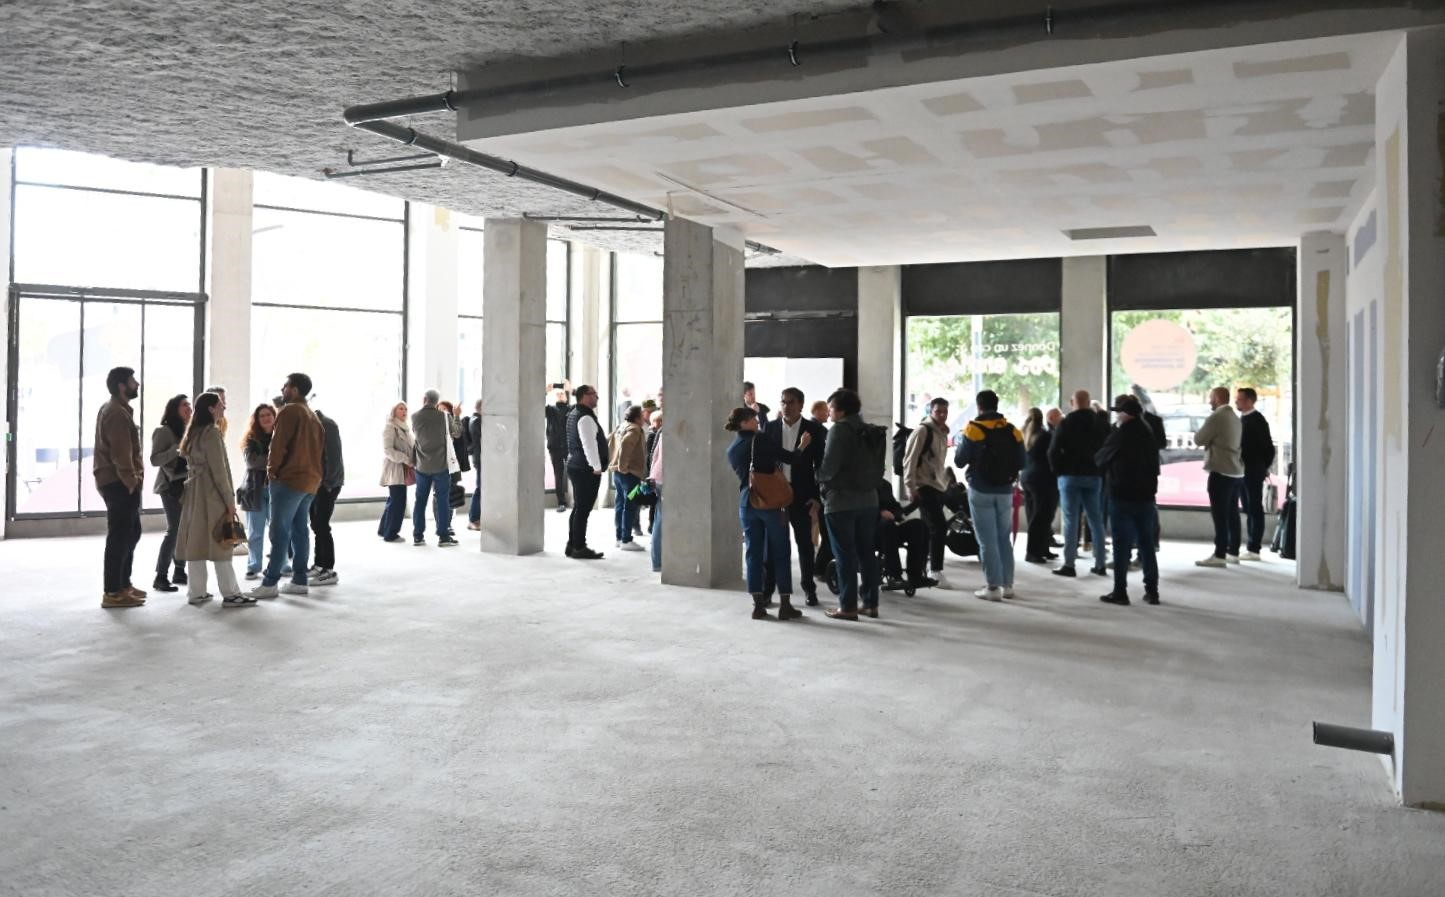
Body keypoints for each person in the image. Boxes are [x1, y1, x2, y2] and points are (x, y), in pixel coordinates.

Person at [725, 406, 809, 621]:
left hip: (747, 502)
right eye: (753, 418)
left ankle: (758, 605)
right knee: (780, 551)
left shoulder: (732, 448)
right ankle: (785, 604)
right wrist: (801, 446)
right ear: (744, 423)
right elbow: (790, 458)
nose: (757, 421)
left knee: (753, 553)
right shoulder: (760, 440)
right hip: (771, 503)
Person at [247, 373, 325, 599]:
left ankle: (270, 582)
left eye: (286, 386)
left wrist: (271, 473)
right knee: (300, 530)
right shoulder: (313, 416)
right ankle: (299, 579)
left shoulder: (289, 411)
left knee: (279, 532)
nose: (282, 389)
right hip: (309, 481)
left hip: (289, 480)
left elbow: (277, 445)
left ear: (295, 389)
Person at [175, 392, 254, 607]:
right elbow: (220, 472)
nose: (224, 407)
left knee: (197, 542)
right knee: (223, 542)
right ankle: (230, 594)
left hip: (194, 494)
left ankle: (196, 592)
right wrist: (229, 501)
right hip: (211, 495)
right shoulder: (211, 433)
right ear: (210, 409)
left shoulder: (193, 433)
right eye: (220, 404)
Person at [816, 388, 884, 620]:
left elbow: (829, 467)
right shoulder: (869, 430)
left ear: (841, 410)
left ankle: (848, 606)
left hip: (842, 502)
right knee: (867, 553)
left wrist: (818, 476)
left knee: (845, 555)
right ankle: (871, 603)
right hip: (869, 500)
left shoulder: (839, 430)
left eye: (831, 408)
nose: (829, 412)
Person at [758, 387, 828, 606]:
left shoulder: (814, 430)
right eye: (783, 402)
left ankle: (809, 588)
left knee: (805, 545)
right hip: (775, 495)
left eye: (790, 402)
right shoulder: (769, 428)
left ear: (801, 404)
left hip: (802, 495)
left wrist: (817, 497)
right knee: (772, 545)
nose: (785, 406)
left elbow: (820, 466)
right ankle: (768, 590)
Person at [955, 390, 1025, 601]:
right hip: (1005, 491)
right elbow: (1023, 462)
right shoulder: (1013, 430)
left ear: (979, 407)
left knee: (987, 541)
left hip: (980, 490)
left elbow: (959, 461)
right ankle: (1008, 586)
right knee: (1004, 538)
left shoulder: (973, 430)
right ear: (997, 405)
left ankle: (992, 587)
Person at [1094, 397, 1162, 606]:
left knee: (1121, 546)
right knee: (1146, 544)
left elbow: (1100, 458)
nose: (1116, 416)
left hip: (1122, 495)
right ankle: (1152, 591)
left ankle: (1120, 591)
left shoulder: (1121, 434)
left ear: (1126, 415)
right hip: (1146, 497)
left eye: (1119, 413)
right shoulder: (1148, 433)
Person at [94, 366, 146, 608]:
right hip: (118, 482)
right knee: (120, 536)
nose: (137, 384)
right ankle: (112, 592)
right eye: (133, 381)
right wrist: (130, 480)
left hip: (119, 481)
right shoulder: (116, 412)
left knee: (131, 532)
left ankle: (123, 585)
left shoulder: (119, 409)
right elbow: (120, 452)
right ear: (122, 386)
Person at [1049, 389, 1109, 579]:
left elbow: (1053, 451)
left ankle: (1069, 564)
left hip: (1070, 476)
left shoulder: (1066, 423)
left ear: (1072, 402)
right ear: (1089, 401)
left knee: (1070, 519)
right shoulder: (1100, 423)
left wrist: (1059, 471)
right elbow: (1108, 448)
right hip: (1094, 476)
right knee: (1096, 520)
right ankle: (1100, 564)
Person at [902, 397, 954, 589]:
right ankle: (935, 570)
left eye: (945, 412)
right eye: (938, 411)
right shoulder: (923, 431)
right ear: (930, 411)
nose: (942, 415)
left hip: (938, 486)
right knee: (939, 526)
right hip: (924, 485)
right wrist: (910, 485)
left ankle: (919, 569)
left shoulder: (942, 432)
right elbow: (910, 459)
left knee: (927, 529)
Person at [1194, 386, 1245, 567]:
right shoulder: (1235, 418)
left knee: (1220, 514)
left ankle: (1219, 554)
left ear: (1217, 398)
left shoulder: (1217, 417)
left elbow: (1199, 439)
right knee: (1232, 513)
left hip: (1221, 470)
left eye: (1210, 398)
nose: (1209, 401)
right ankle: (1233, 552)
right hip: (1237, 471)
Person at [150, 394, 191, 593]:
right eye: (184, 405)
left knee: (183, 530)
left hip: (187, 485)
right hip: (170, 487)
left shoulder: (189, 430)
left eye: (190, 405)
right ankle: (161, 576)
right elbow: (155, 459)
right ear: (174, 408)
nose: (189, 408)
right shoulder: (164, 431)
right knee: (174, 529)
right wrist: (176, 449)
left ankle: (180, 570)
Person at [411, 390, 458, 548]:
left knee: (420, 501)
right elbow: (457, 433)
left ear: (424, 399)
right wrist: (456, 416)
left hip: (422, 466)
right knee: (442, 500)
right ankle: (443, 537)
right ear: (437, 402)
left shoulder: (415, 417)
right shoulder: (445, 416)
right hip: (441, 466)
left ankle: (418, 536)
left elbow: (417, 437)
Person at [565, 385, 607, 560]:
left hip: (577, 465)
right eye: (594, 394)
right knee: (583, 509)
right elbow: (588, 445)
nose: (597, 397)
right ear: (584, 397)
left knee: (578, 508)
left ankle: (572, 544)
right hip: (585, 469)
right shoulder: (585, 418)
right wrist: (596, 467)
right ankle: (579, 547)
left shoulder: (575, 413)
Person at [1235, 387, 1276, 562]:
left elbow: (1268, 448)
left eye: (1240, 399)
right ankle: (1251, 545)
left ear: (1250, 401)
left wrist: (1261, 467)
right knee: (1248, 507)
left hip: (1252, 470)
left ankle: (1254, 547)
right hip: (1243, 470)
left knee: (1254, 508)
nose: (1237, 402)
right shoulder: (1242, 419)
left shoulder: (1257, 420)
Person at [240, 404, 277, 579]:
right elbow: (252, 463)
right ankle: (254, 566)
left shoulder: (282, 436)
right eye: (261, 415)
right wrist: (274, 459)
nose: (266, 418)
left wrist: (266, 460)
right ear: (257, 419)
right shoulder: (251, 439)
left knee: (279, 530)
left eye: (268, 414)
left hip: (276, 489)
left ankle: (281, 563)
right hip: (254, 490)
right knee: (255, 532)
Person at [308, 407, 343, 585]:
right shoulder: (312, 424)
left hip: (327, 484)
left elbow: (334, 456)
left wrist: (328, 483)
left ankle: (329, 569)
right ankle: (319, 564)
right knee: (316, 524)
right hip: (316, 483)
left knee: (321, 525)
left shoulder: (327, 425)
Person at [1020, 407, 1059, 565]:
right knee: (1043, 516)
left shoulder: (1024, 435)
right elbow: (1052, 456)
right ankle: (1034, 551)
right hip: (1043, 479)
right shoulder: (1045, 436)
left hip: (1027, 477)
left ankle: (1042, 549)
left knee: (1033, 515)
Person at [608, 405, 648, 551]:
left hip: (618, 474)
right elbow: (626, 444)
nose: (644, 418)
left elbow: (610, 440)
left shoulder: (622, 426)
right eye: (642, 415)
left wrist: (616, 464)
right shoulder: (635, 429)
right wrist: (623, 466)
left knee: (620, 504)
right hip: (630, 474)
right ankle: (626, 539)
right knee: (630, 505)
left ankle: (619, 537)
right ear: (637, 418)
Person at [877, 479, 930, 589]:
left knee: (919, 525)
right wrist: (880, 513)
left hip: (890, 528)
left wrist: (913, 505)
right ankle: (895, 576)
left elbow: (896, 508)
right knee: (887, 525)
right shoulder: (861, 484)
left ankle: (915, 575)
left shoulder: (885, 485)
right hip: (870, 530)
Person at [379, 401, 414, 543]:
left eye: (405, 408)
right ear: (394, 411)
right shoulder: (390, 427)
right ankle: (391, 534)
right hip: (395, 469)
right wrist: (406, 459)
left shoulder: (405, 428)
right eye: (401, 408)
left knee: (393, 500)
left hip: (403, 469)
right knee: (398, 501)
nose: (404, 411)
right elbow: (388, 450)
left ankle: (384, 530)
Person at [546, 388, 571, 514]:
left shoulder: (570, 409)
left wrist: (571, 389)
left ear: (566, 397)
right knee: (558, 474)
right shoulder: (550, 410)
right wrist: (545, 390)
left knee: (574, 472)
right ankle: (561, 502)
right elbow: (539, 404)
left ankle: (577, 498)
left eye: (562, 394)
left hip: (568, 446)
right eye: (558, 394)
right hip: (555, 446)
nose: (560, 395)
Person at [648, 411, 665, 574]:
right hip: (666, 479)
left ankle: (657, 560)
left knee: (659, 520)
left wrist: (652, 476)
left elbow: (655, 456)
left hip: (658, 477)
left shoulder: (663, 431)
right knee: (661, 521)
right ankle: (658, 561)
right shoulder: (671, 431)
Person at [468, 399, 483, 530]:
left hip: (480, 458)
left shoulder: (474, 420)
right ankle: (473, 519)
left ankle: (475, 518)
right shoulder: (477, 421)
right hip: (482, 459)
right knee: (480, 489)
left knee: (481, 489)